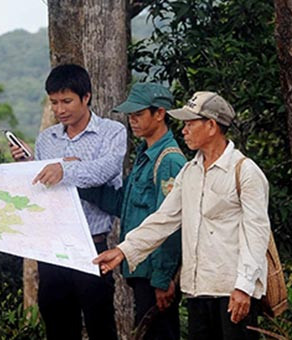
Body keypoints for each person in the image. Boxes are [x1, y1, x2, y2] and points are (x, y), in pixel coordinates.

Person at [93, 91, 271, 340]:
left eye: (190, 123)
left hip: (232, 290)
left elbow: (256, 234)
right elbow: (164, 219)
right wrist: (124, 250)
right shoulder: (190, 171)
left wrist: (244, 287)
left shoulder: (245, 172)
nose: (184, 130)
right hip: (198, 290)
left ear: (211, 126)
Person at [9, 63, 127, 340]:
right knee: (58, 325)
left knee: (101, 326)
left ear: (86, 97)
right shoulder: (46, 139)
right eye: (54, 102)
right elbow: (43, 188)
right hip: (53, 247)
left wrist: (65, 169)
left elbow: (106, 170)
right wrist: (30, 165)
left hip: (92, 246)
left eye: (66, 101)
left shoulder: (112, 132)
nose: (60, 109)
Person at [79, 82, 185, 340]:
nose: (132, 121)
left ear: (159, 114)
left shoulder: (169, 160)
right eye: (130, 116)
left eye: (138, 115)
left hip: (154, 273)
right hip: (140, 269)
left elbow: (170, 224)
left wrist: (163, 279)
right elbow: (121, 203)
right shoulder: (144, 155)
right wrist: (75, 177)